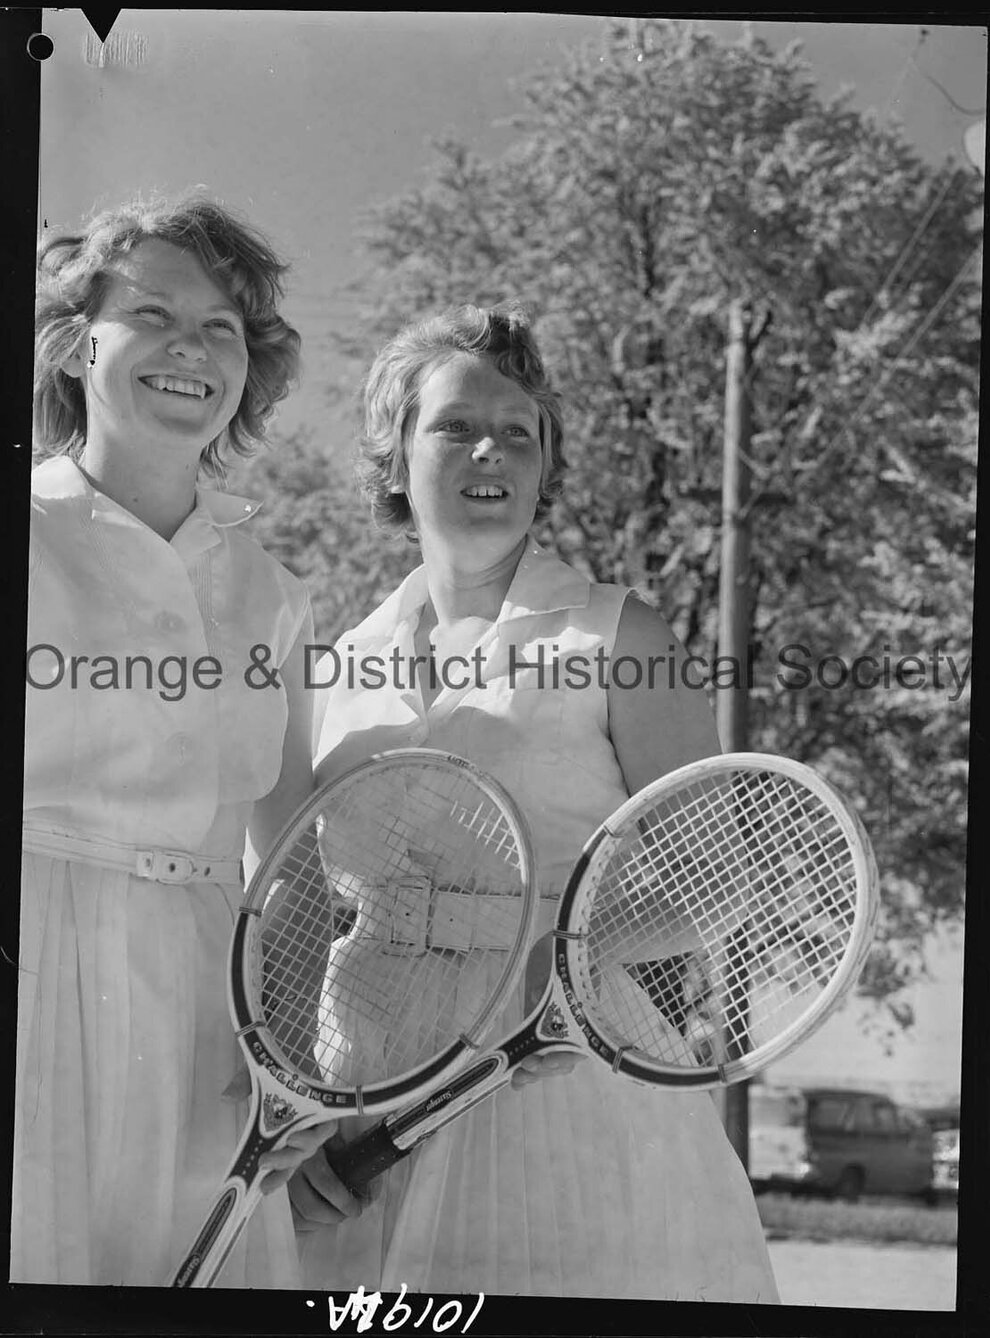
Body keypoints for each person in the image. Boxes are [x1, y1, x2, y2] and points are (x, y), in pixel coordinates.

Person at [294, 303, 780, 1301]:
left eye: (520, 433)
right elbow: (292, 897)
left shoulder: (620, 637)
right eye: (456, 426)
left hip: (564, 1067)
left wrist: (564, 962)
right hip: (358, 1077)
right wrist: (300, 1103)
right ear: (394, 457)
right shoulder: (338, 663)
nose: (492, 451)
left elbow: (720, 885)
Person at [14, 196, 358, 1287]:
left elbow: (292, 850)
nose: (190, 348)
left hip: (212, 1010)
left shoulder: (274, 591)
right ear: (76, 342)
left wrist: (288, 1053)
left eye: (222, 327)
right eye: (151, 312)